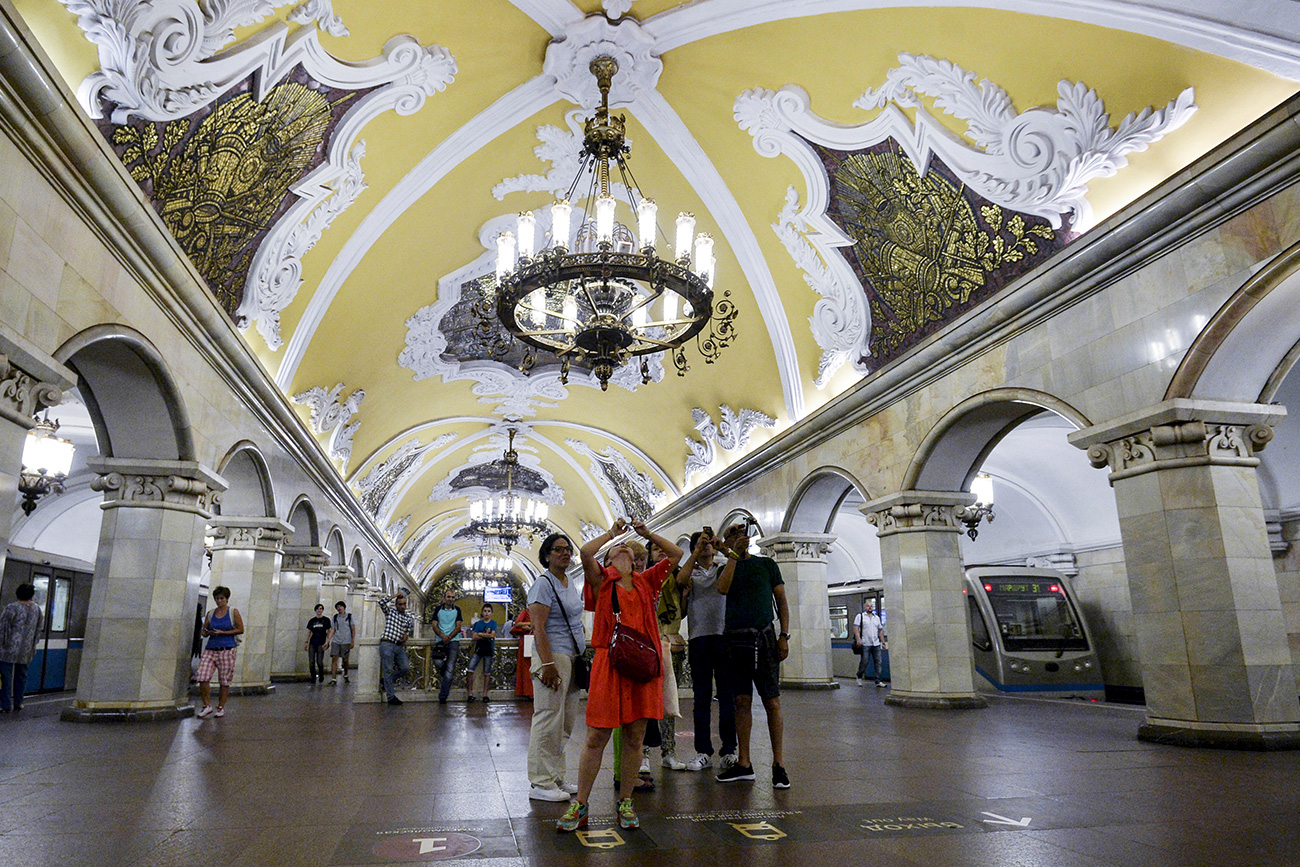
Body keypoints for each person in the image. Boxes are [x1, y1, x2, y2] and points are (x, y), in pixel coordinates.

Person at [556, 520, 683, 834]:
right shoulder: (602, 582)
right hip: (609, 666)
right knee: (596, 737)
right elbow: (586, 552)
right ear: (609, 559)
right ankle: (581, 805)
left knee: (634, 739)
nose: (625, 547)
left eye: (629, 548)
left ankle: (625, 802)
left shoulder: (646, 581)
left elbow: (677, 554)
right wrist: (612, 534)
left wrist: (647, 534)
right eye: (618, 548)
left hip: (641, 667)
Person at [717, 519, 791, 789]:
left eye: (741, 532)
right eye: (732, 534)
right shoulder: (726, 568)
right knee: (741, 701)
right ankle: (744, 763)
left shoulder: (767, 565)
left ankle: (779, 764)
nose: (739, 535)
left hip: (764, 637)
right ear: (726, 543)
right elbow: (722, 588)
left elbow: (781, 600)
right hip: (735, 641)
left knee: (772, 702)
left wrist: (784, 635)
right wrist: (733, 556)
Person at [526, 533, 586, 802]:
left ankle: (556, 775)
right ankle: (540, 782)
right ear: (547, 555)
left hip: (573, 656)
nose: (565, 553)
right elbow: (538, 626)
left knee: (565, 722)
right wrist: (548, 663)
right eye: (558, 549)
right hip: (553, 656)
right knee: (548, 717)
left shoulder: (569, 580)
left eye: (568, 549)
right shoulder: (543, 583)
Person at [677, 529, 737, 771]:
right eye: (702, 544)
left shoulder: (723, 568)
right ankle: (703, 751)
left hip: (723, 637)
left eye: (709, 544)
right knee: (701, 698)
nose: (707, 547)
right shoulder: (689, 572)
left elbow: (738, 562)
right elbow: (680, 580)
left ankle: (729, 751)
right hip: (699, 639)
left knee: (726, 697)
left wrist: (721, 546)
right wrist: (695, 552)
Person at [195, 586, 244, 719]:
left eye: (221, 598)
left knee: (224, 680)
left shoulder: (233, 612)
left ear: (227, 599)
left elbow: (240, 629)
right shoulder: (211, 613)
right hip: (211, 648)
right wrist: (206, 632)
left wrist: (224, 632)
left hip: (227, 649)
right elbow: (204, 631)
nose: (219, 601)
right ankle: (207, 706)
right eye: (217, 598)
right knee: (202, 676)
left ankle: (220, 707)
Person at [0, 583, 43, 713]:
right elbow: (38, 629)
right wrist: (32, 645)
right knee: (21, 676)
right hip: (26, 649)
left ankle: (5, 704)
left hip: (8, 649)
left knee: (5, 677)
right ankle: (19, 702)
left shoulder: (11, 608)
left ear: (17, 593)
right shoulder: (37, 609)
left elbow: (3, 629)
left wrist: (2, 644)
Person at [378, 593, 414, 705]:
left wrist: (406, 636)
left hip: (399, 646)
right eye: (400, 604)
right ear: (396, 605)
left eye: (404, 604)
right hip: (387, 643)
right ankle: (390, 697)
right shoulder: (390, 612)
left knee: (405, 668)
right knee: (388, 670)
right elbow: (381, 602)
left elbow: (408, 630)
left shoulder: (408, 617)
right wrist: (395, 595)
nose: (402, 606)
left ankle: (386, 681)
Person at [431, 589, 463, 704]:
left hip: (453, 641)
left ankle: (443, 696)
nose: (451, 599)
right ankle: (447, 674)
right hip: (440, 641)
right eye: (449, 597)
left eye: (453, 597)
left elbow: (458, 626)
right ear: (444, 598)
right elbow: (434, 625)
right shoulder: (438, 609)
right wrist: (442, 636)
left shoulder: (457, 610)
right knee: (438, 663)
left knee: (450, 669)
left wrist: (449, 637)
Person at [467, 602, 498, 702]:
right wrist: (486, 634)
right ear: (482, 612)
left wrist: (481, 634)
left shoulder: (493, 623)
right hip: (479, 649)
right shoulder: (478, 623)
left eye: (489, 611)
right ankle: (470, 693)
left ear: (492, 613)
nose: (486, 613)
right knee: (470, 669)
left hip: (489, 649)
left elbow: (492, 635)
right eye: (485, 611)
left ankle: (485, 694)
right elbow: (474, 636)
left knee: (487, 672)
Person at [854, 598, 886, 687]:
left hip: (876, 643)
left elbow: (880, 630)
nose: (870, 607)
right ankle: (859, 676)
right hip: (865, 643)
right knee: (865, 661)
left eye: (871, 606)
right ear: (864, 607)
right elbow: (856, 628)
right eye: (868, 606)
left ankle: (878, 680)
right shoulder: (860, 616)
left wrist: (883, 642)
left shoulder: (877, 618)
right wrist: (858, 639)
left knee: (878, 662)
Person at [305, 603, 332, 684]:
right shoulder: (312, 621)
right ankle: (313, 677)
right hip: (313, 642)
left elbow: (328, 632)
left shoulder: (326, 620)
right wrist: (306, 642)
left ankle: (321, 675)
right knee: (311, 661)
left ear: (322, 610)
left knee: (319, 661)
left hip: (321, 642)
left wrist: (327, 642)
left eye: (320, 609)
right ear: (315, 610)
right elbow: (309, 632)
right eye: (317, 609)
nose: (319, 610)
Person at [329, 601, 354, 685]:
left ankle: (346, 674)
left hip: (346, 641)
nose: (339, 608)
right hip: (336, 640)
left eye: (341, 606)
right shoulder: (335, 617)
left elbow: (353, 629)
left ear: (344, 607)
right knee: (334, 658)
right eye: (337, 607)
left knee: (345, 660)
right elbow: (333, 629)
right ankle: (334, 679)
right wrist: (328, 641)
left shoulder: (349, 617)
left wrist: (352, 641)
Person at [511, 607, 533, 699]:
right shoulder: (525, 612)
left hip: (535, 640)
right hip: (527, 642)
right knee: (526, 667)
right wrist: (530, 624)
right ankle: (528, 692)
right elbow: (517, 624)